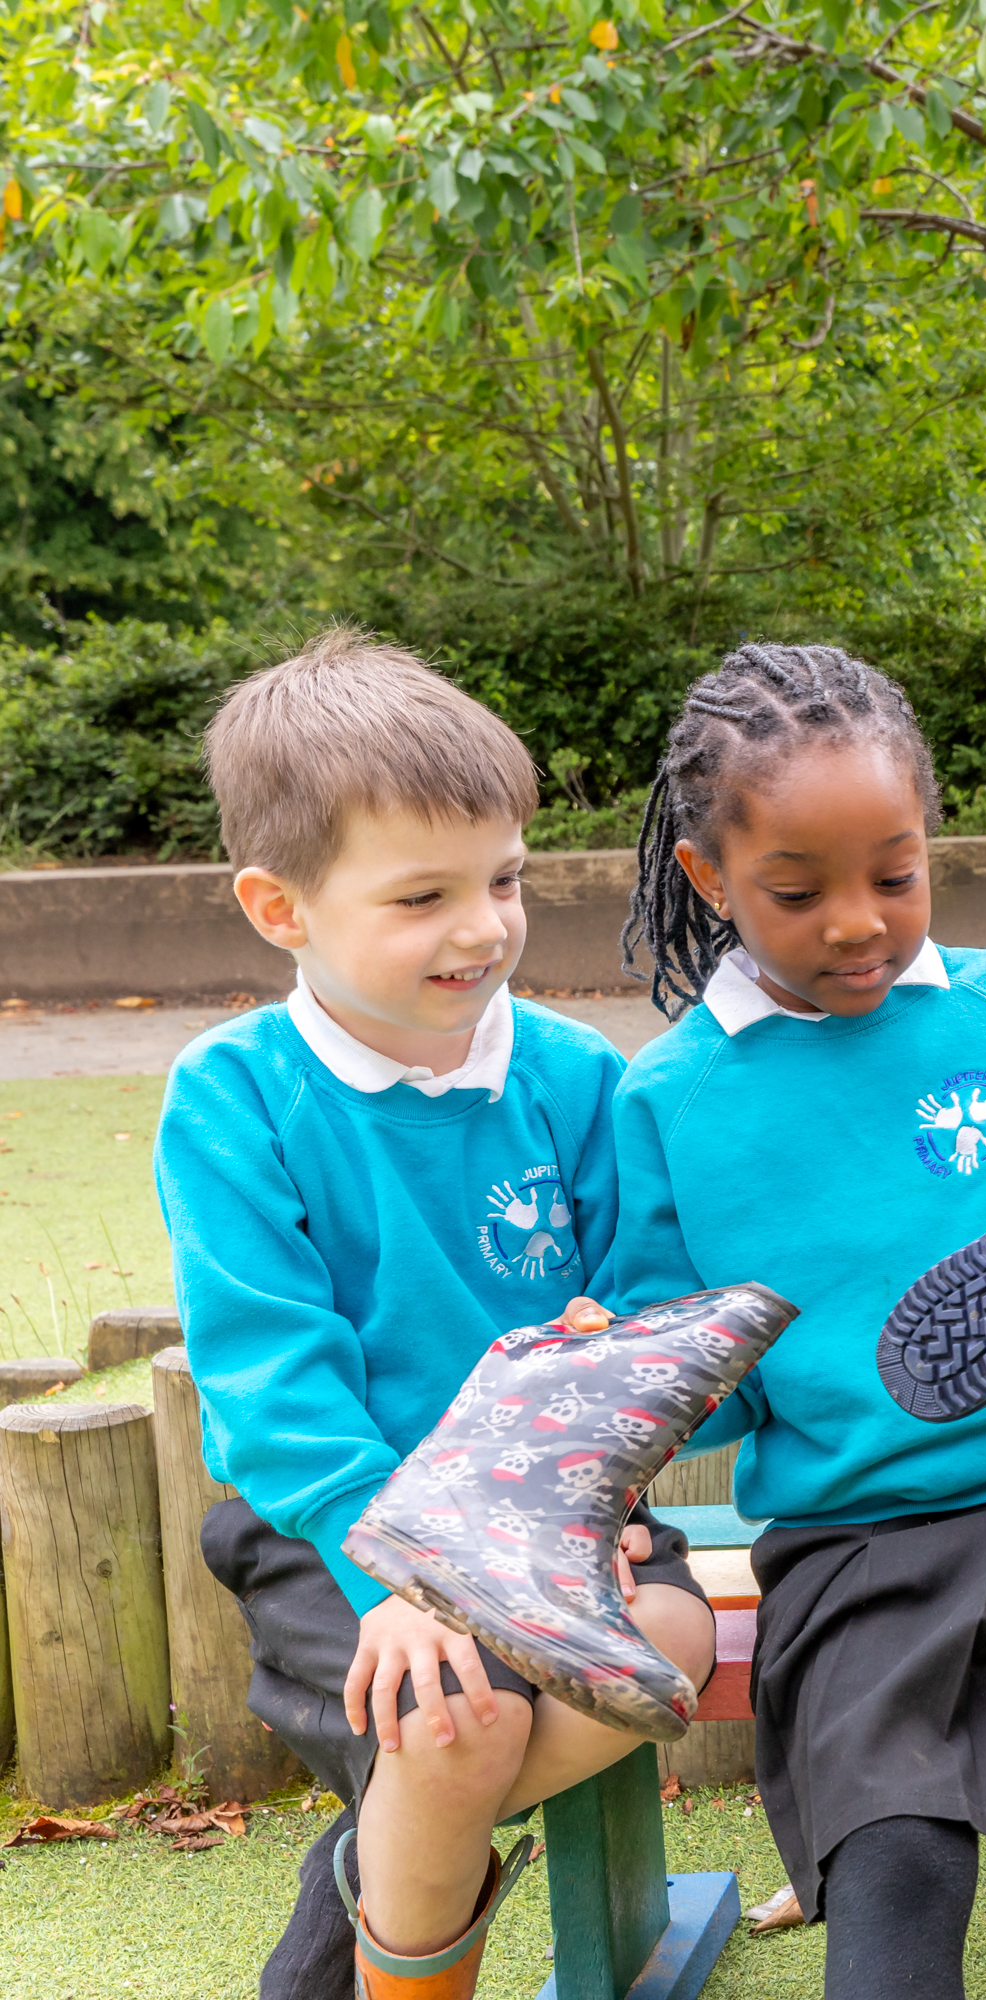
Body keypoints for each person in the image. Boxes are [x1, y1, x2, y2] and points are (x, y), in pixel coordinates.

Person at [596, 644, 986, 2000]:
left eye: (896, 875)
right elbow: (707, 1388)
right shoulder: (669, 1101)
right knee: (895, 1865)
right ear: (707, 877)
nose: (859, 923)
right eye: (798, 891)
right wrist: (632, 1394)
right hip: (851, 1539)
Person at [159, 632, 715, 2000]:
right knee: (454, 1720)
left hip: (552, 1512)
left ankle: (380, 1858)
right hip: (341, 1527)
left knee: (674, 1650)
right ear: (279, 908)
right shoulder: (235, 1097)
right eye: (422, 897)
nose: (482, 929)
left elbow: (638, 1316)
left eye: (504, 880)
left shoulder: (576, 1076)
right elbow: (273, 1386)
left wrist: (591, 1467)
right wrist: (403, 1584)